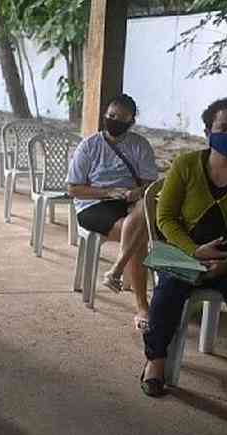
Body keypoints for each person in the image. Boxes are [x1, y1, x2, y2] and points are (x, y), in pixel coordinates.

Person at [140, 98, 227, 403]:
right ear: (208, 130)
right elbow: (165, 217)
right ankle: (155, 361)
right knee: (166, 294)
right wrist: (194, 251)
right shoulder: (186, 165)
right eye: (222, 127)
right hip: (186, 254)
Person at [67, 94, 158, 330]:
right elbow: (73, 189)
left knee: (142, 214)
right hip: (94, 205)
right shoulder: (89, 146)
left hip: (130, 202)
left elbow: (150, 185)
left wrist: (135, 192)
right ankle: (142, 306)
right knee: (139, 236)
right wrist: (108, 192)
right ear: (105, 115)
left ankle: (116, 270)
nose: (115, 121)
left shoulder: (140, 145)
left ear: (131, 121)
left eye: (122, 118)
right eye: (111, 116)